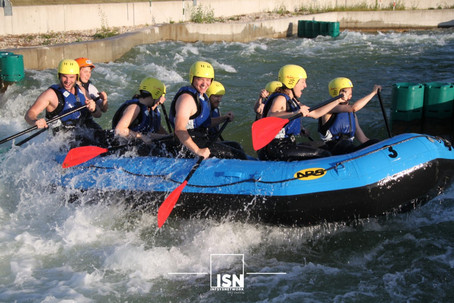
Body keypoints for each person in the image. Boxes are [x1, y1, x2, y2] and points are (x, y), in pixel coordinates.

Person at [257, 64, 341, 161]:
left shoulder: (293, 100)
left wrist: (337, 101)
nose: (305, 86)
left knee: (325, 146)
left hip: (287, 144)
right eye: (303, 82)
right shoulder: (280, 98)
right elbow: (271, 115)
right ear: (292, 82)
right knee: (323, 154)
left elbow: (316, 114)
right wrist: (295, 113)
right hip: (276, 148)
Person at [168, 61, 247, 160]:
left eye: (208, 80)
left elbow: (204, 123)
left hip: (201, 139)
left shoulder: (202, 96)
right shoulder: (187, 99)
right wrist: (197, 151)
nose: (204, 84)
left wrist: (224, 118)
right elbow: (179, 129)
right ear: (192, 78)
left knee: (236, 146)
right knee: (236, 155)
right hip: (187, 145)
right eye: (200, 79)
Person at [24, 58, 101, 132]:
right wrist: (35, 121)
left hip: (86, 130)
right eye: (64, 76)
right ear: (59, 76)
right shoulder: (50, 94)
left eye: (71, 77)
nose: (68, 81)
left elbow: (98, 114)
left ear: (76, 77)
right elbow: (30, 114)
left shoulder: (82, 90)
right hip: (65, 138)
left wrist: (94, 109)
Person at [318, 77, 381, 155]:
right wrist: (373, 93)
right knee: (344, 143)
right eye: (348, 94)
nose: (350, 97)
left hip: (349, 149)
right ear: (337, 93)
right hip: (332, 151)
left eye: (351, 94)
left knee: (375, 142)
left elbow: (363, 139)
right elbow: (354, 107)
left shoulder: (351, 114)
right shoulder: (328, 109)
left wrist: (377, 146)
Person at [111, 77, 168, 144]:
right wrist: (140, 137)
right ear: (156, 94)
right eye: (161, 95)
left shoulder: (149, 109)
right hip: (121, 149)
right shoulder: (135, 107)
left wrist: (169, 137)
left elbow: (149, 134)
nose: (162, 99)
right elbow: (119, 130)